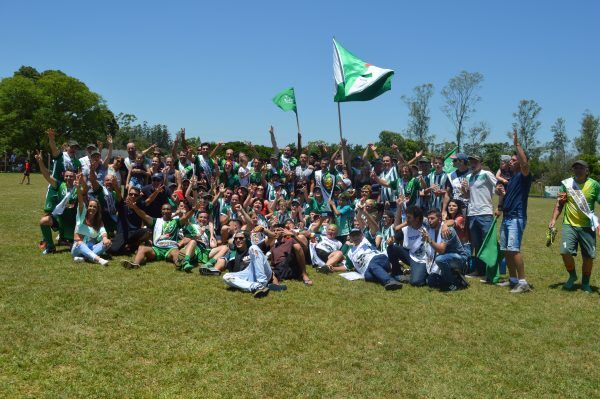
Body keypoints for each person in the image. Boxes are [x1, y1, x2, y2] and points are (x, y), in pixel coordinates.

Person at [548, 160, 600, 293]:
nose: (577, 170)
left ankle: (586, 283)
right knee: (565, 252)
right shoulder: (566, 184)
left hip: (588, 226)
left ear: (587, 170)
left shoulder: (594, 185)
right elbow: (560, 203)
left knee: (588, 257)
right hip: (569, 224)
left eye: (581, 168)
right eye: (575, 168)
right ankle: (572, 276)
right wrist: (553, 219)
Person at [495, 130, 533, 293]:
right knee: (506, 249)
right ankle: (513, 279)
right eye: (510, 160)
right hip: (508, 216)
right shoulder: (512, 179)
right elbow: (508, 197)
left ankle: (523, 283)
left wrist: (517, 143)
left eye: (514, 159)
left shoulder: (525, 175)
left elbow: (524, 163)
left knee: (514, 248)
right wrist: (501, 195)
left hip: (517, 217)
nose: (510, 162)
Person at [121, 200, 195, 269]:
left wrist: (193, 210)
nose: (165, 211)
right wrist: (135, 207)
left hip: (171, 248)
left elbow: (186, 217)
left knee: (176, 253)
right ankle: (135, 264)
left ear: (171, 211)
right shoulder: (156, 221)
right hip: (157, 249)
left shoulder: (176, 222)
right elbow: (143, 215)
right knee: (142, 248)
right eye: (164, 209)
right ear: (161, 211)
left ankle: (179, 264)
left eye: (168, 209)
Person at [35, 149, 78, 254]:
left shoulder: (79, 188)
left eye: (71, 176)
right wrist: (40, 161)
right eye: (67, 176)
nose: (68, 178)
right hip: (60, 219)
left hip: (74, 222)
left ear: (75, 177)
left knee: (75, 249)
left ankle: (69, 240)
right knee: (44, 221)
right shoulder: (59, 185)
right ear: (64, 176)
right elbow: (47, 176)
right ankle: (50, 246)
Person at [464, 154, 497, 278]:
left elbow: (498, 188)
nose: (472, 164)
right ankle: (479, 270)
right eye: (471, 162)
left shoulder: (487, 174)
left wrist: (500, 206)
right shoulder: (468, 176)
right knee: (476, 244)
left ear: (480, 163)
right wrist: (464, 190)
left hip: (485, 213)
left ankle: (492, 270)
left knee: (488, 243)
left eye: (475, 162)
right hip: (472, 214)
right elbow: (467, 196)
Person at [421, 209, 470, 291]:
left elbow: (441, 250)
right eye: (429, 218)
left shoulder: (447, 230)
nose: (430, 221)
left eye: (432, 218)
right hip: (446, 258)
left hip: (459, 259)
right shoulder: (431, 227)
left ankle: (452, 282)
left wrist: (429, 240)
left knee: (440, 259)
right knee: (431, 282)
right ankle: (456, 277)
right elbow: (418, 216)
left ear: (440, 219)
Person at [70, 174, 111, 265]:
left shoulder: (98, 221)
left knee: (108, 243)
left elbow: (103, 231)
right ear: (87, 207)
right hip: (77, 248)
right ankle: (98, 259)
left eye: (95, 207)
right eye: (90, 206)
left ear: (97, 209)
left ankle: (84, 258)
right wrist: (78, 189)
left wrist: (105, 238)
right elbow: (81, 203)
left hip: (90, 248)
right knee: (80, 242)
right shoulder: (81, 216)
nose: (92, 208)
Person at [221, 231, 272, 298]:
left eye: (241, 238)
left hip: (263, 273)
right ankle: (256, 286)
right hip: (248, 274)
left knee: (253, 248)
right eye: (236, 239)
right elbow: (223, 258)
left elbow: (271, 237)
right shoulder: (233, 252)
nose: (238, 240)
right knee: (226, 276)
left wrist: (263, 230)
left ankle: (262, 283)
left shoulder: (254, 247)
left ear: (247, 239)